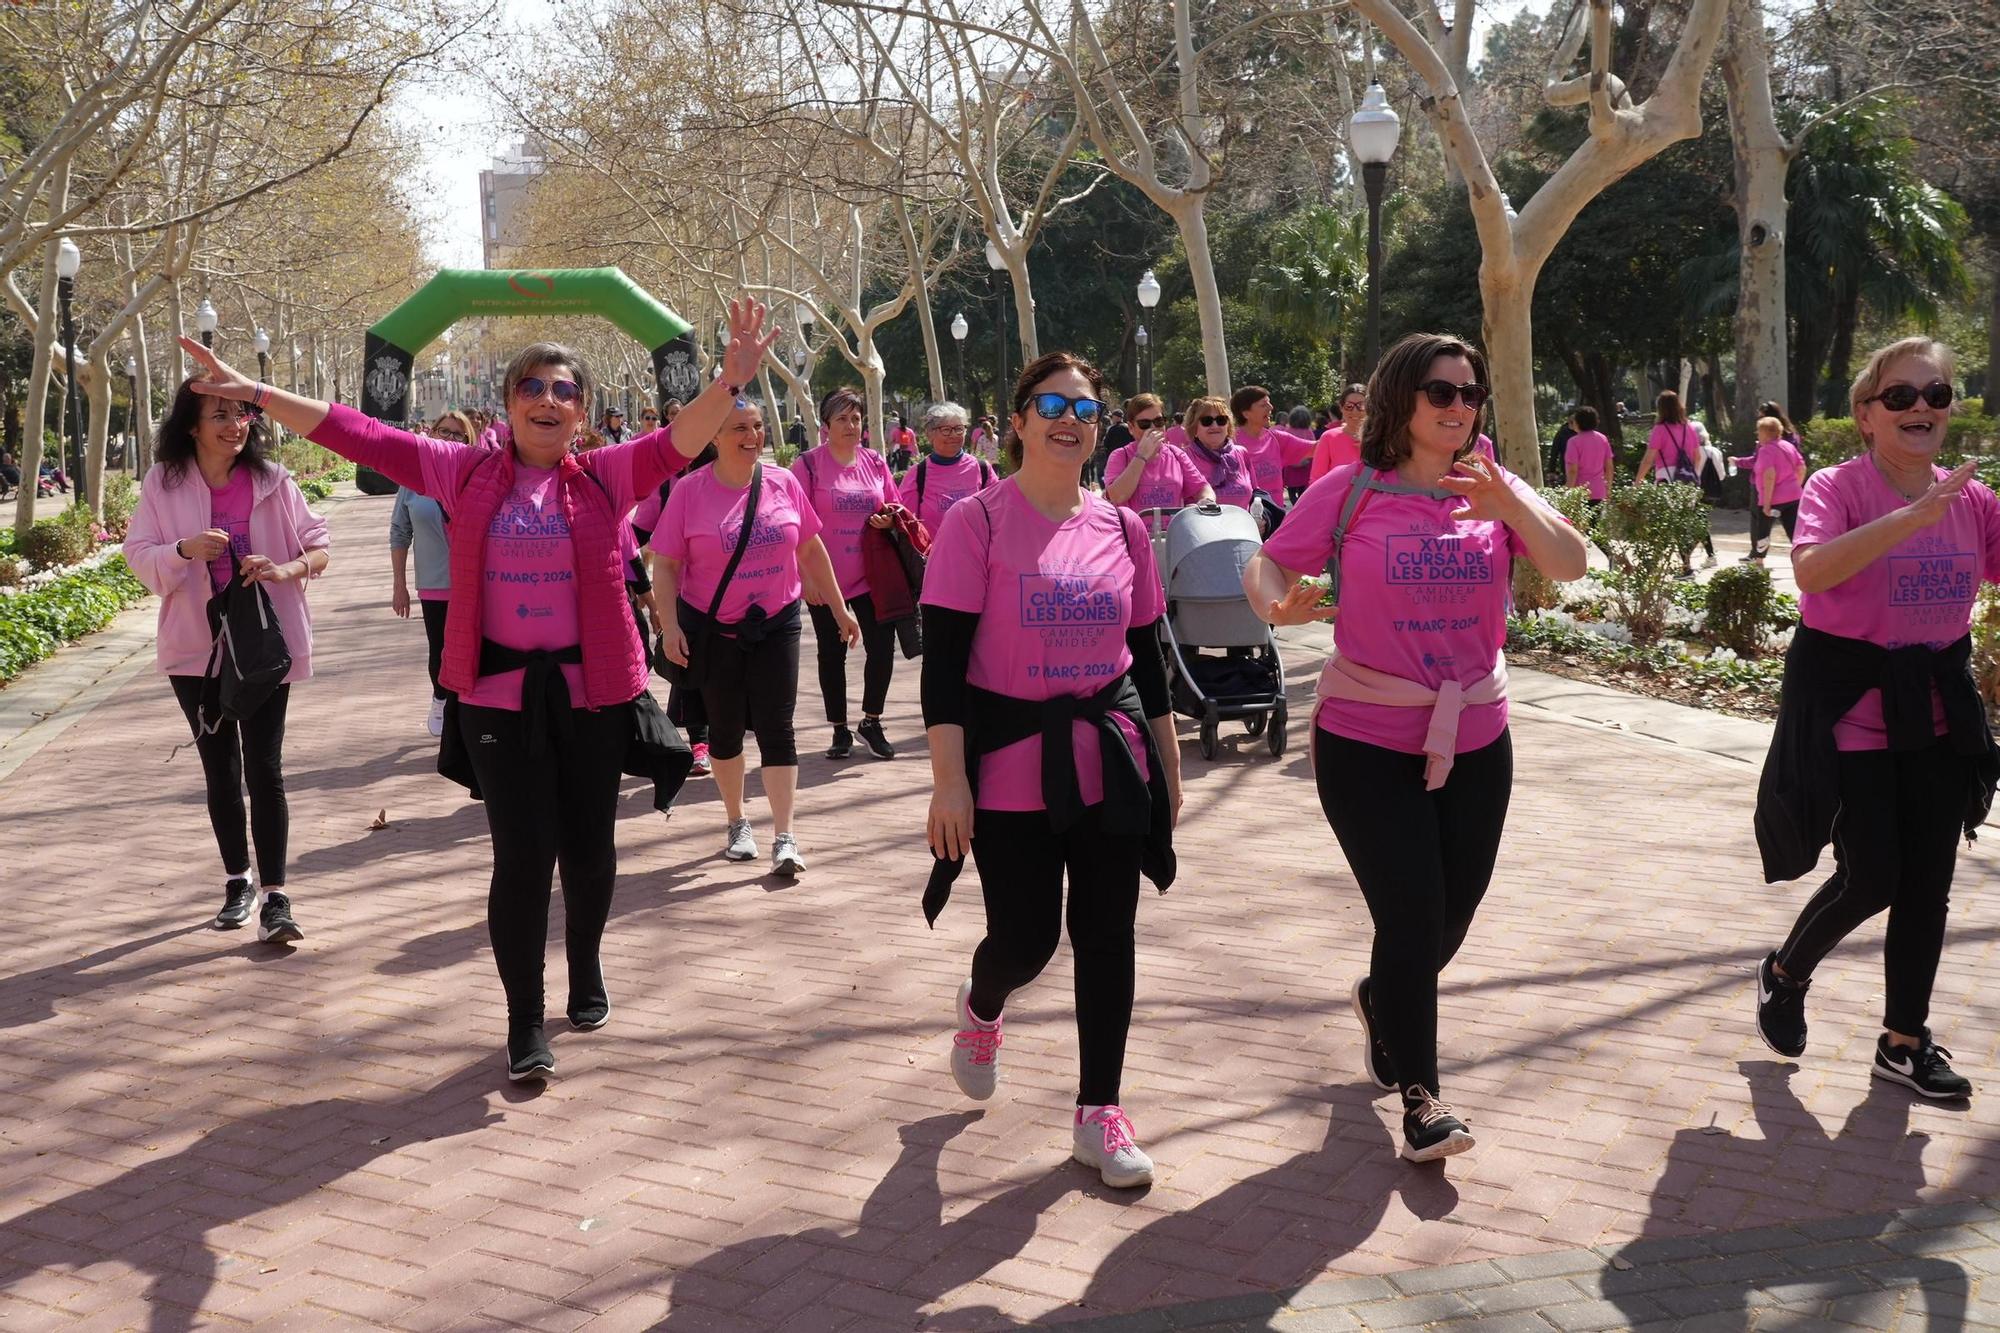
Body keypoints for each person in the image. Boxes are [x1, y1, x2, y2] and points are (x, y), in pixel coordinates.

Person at [172, 297, 781, 1082]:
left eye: (565, 390)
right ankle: (524, 1019)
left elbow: (679, 441)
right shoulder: (461, 473)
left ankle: (586, 966)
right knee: (522, 860)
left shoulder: (606, 475)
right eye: (532, 386)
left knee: (591, 853)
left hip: (595, 699)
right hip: (497, 704)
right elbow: (361, 433)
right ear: (508, 403)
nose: (548, 400)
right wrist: (256, 391)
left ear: (582, 410)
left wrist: (730, 383)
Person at [1242, 332, 1586, 1163]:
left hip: (1477, 735)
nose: (1460, 407)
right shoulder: (1350, 490)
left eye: (1471, 394)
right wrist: (1276, 607)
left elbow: (1571, 564)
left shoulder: (1494, 490)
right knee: (1412, 911)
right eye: (1443, 392)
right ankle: (1423, 1097)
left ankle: (1381, 996)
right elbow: (1265, 564)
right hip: (1366, 739)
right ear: (1404, 397)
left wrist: (1511, 503)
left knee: (1449, 917)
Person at [922, 350, 1181, 1189]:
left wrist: (1169, 767)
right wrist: (947, 780)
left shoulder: (1124, 528)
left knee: (1108, 936)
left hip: (1109, 760)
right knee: (1027, 940)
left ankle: (1098, 1112)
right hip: (1008, 769)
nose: (1071, 418)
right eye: (1053, 404)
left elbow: (1148, 662)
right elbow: (943, 667)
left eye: (1085, 407)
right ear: (1019, 421)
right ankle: (982, 1003)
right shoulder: (977, 522)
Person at [1753, 337, 1999, 1102]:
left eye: (1936, 394)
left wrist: (1943, 504)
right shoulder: (1838, 485)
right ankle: (1786, 972)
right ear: (1866, 414)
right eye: (1901, 396)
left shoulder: (1975, 498)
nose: (1921, 407)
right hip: (1854, 707)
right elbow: (1811, 570)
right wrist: (1913, 515)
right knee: (1876, 875)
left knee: (1928, 882)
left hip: (1936, 708)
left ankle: (1903, 1041)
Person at [125, 379, 333, 946]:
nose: (235, 425)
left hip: (263, 647)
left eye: (242, 414)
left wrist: (284, 569)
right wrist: (183, 551)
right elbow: (138, 554)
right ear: (191, 426)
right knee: (221, 771)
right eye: (220, 415)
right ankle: (237, 881)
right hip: (196, 650)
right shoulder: (162, 483)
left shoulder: (271, 480)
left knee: (266, 769)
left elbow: (318, 544)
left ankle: (277, 896)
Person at [653, 400, 857, 872]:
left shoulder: (782, 481)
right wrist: (670, 626)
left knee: (777, 728)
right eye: (739, 428)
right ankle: (736, 820)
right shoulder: (689, 492)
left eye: (759, 426)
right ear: (714, 437)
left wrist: (840, 607)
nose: (752, 435)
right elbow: (665, 565)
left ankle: (785, 836)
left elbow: (810, 547)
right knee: (724, 731)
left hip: (778, 622)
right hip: (715, 629)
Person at [793, 387, 902, 760]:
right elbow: (793, 525)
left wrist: (889, 518)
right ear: (825, 426)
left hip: (872, 576)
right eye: (841, 418)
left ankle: (871, 720)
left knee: (883, 649)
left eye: (855, 418)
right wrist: (806, 576)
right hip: (826, 579)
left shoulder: (875, 462)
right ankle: (839, 729)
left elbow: (895, 507)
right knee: (831, 653)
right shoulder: (807, 465)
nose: (851, 425)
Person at [391, 410, 473, 736]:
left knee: (474, 651)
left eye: (458, 434)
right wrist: (399, 585)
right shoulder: (413, 480)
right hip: (434, 584)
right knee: (440, 650)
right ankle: (441, 700)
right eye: (444, 431)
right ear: (432, 433)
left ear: (468, 441)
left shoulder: (476, 477)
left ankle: (469, 713)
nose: (450, 439)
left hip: (474, 584)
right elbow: (400, 532)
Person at [1634, 389, 1715, 572]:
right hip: (1688, 480)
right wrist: (1691, 475)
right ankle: (1689, 560)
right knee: (1686, 520)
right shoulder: (1689, 428)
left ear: (1661, 409)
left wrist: (1638, 480)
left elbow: (1649, 458)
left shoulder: (1660, 430)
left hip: (1666, 479)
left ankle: (1681, 566)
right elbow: (1697, 457)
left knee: (1669, 521)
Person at [1101, 393, 1213, 515]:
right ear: (1131, 428)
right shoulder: (1120, 456)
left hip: (1171, 532)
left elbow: (1201, 487)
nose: (1153, 428)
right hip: (1134, 533)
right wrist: (1141, 456)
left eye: (1159, 421)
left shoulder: (1176, 454)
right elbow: (1116, 496)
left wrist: (1206, 500)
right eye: (1145, 424)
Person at [898, 401, 996, 534]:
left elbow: (998, 515)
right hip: (934, 554)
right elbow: (906, 525)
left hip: (978, 553)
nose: (954, 435)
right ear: (929, 434)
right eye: (946, 430)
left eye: (958, 429)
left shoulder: (982, 469)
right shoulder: (917, 474)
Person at [1229, 385, 1316, 498]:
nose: (1271, 407)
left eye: (1269, 403)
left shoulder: (1276, 439)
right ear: (1246, 413)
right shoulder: (1229, 444)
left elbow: (1318, 448)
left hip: (1275, 513)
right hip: (1244, 514)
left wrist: (1344, 430)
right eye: (1263, 405)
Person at [1746, 415, 1808, 563]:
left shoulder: (1766, 450)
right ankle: (1802, 561)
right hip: (1793, 496)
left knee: (1763, 532)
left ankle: (1759, 562)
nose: (1757, 434)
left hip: (1772, 499)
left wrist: (1767, 504)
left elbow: (1769, 475)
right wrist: (1795, 486)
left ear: (1766, 433)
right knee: (1794, 532)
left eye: (1759, 431)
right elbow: (1801, 467)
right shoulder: (1788, 446)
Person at [1178, 396, 1255, 509]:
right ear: (1194, 427)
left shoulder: (1241, 453)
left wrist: (1264, 517)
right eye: (1207, 421)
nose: (1215, 426)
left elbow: (1256, 493)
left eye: (1221, 420)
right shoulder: (1183, 457)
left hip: (1241, 525)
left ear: (1228, 426)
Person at [1309, 384, 1368, 483]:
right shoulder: (1329, 438)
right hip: (1337, 498)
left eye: (1360, 406)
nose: (1354, 411)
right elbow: (1316, 480)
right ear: (1341, 408)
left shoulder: (1381, 439)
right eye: (1349, 406)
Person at [1563, 405, 1614, 505]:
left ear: (1578, 422)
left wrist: (1568, 491)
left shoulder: (1573, 442)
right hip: (1599, 491)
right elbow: (1609, 467)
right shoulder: (1602, 438)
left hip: (1580, 492)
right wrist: (1608, 488)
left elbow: (1573, 471)